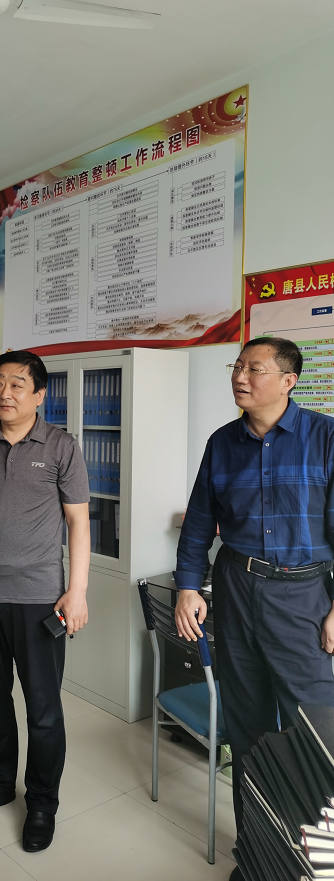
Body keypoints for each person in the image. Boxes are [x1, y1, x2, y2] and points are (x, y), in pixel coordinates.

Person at [174, 336, 334, 881]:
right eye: (237, 366)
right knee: (247, 728)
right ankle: (259, 855)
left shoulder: (325, 437)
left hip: (303, 597)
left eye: (254, 369)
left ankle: (313, 860)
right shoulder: (222, 443)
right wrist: (187, 587)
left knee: (313, 730)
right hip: (236, 589)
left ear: (289, 381)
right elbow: (200, 522)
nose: (240, 376)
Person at [0, 350, 90, 852]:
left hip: (40, 599)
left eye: (18, 384)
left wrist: (77, 591)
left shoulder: (62, 446)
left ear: (40, 395)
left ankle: (42, 802)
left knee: (43, 707)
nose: (5, 393)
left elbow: (78, 522)